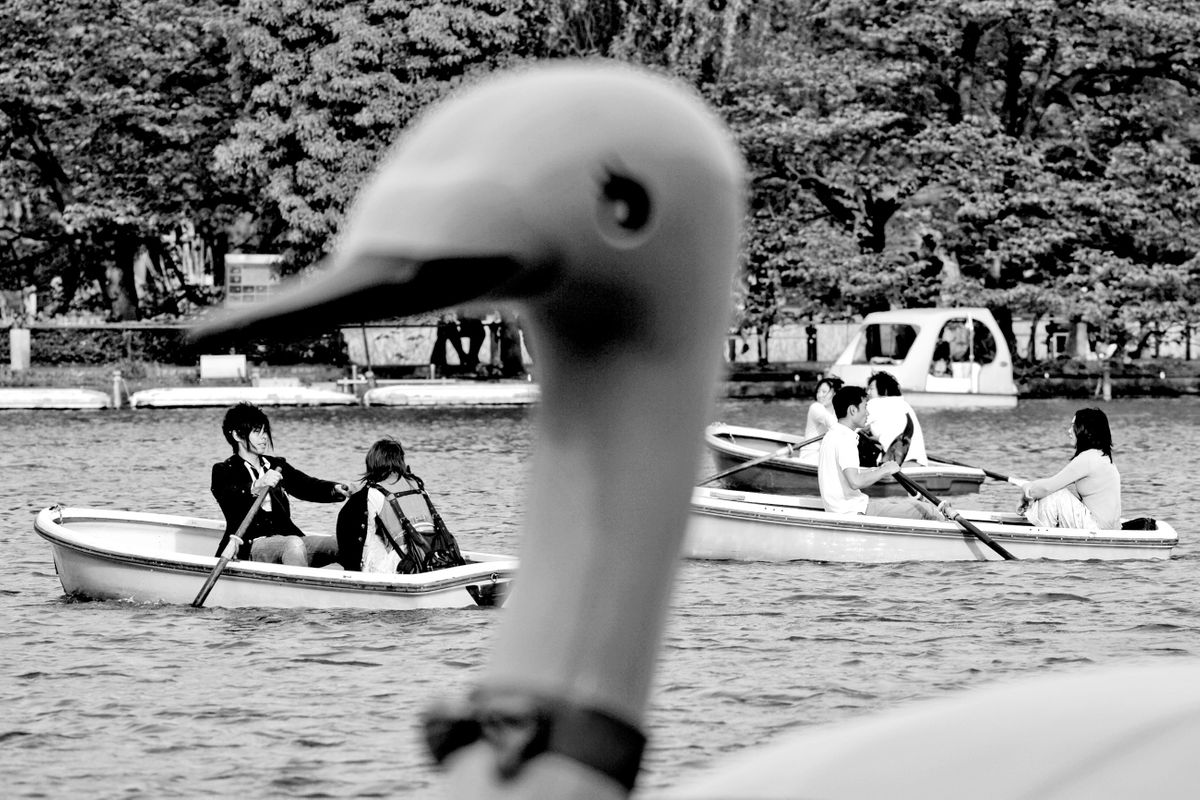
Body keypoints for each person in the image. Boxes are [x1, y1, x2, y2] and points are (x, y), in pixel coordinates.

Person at [211, 402, 349, 566]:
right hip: (249, 546)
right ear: (237, 436)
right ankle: (298, 589)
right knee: (293, 544)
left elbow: (306, 486)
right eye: (257, 432)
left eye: (265, 431)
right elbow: (230, 494)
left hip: (289, 540)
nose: (264, 437)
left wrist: (336, 489)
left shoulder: (276, 465)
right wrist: (257, 485)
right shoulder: (223, 470)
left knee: (341, 544)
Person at [336, 437, 464, 572]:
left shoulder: (374, 493)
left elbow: (367, 541)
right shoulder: (418, 486)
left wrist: (360, 569)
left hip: (405, 561)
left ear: (373, 462)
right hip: (433, 552)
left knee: (371, 539)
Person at [817, 385, 942, 521]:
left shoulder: (831, 435)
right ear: (853, 410)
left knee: (903, 504)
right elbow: (855, 482)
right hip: (854, 511)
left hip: (846, 509)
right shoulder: (846, 438)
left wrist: (878, 469)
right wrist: (885, 470)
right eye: (865, 407)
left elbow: (848, 476)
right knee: (927, 510)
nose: (868, 413)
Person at [1017, 408, 1122, 530]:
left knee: (1056, 495)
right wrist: (1032, 490)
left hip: (1098, 529)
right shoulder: (1102, 456)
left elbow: (1048, 487)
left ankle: (1040, 539)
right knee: (1054, 493)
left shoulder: (1088, 458)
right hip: (1111, 529)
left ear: (1085, 430)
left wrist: (1026, 492)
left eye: (1073, 426)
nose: (1069, 431)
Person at [865, 371, 928, 465]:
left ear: (884, 390)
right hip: (919, 464)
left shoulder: (875, 403)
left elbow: (848, 426)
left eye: (871, 388)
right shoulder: (905, 405)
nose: (867, 392)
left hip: (900, 468)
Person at [797, 376, 843, 463]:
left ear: (835, 393)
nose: (819, 395)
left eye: (824, 392)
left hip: (825, 457)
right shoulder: (816, 407)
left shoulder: (837, 412)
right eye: (818, 391)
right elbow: (833, 425)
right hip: (811, 457)